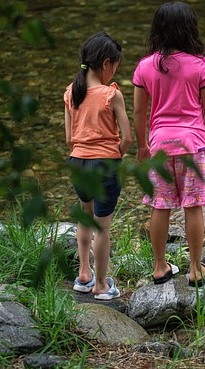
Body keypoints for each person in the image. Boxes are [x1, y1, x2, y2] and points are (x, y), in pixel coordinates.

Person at [133, 1, 205, 287]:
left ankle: (159, 267)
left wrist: (142, 147)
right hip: (192, 145)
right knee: (193, 206)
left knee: (160, 205)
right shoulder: (198, 65)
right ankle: (195, 269)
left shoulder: (145, 67)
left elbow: (138, 113)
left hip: (158, 147)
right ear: (188, 29)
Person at [64, 31, 132, 300]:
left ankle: (83, 274)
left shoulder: (71, 92)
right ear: (106, 64)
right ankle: (101, 285)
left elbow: (69, 139)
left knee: (85, 215)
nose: (115, 70)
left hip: (77, 163)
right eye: (116, 65)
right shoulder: (111, 95)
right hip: (104, 163)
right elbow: (127, 138)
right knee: (103, 226)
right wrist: (115, 156)